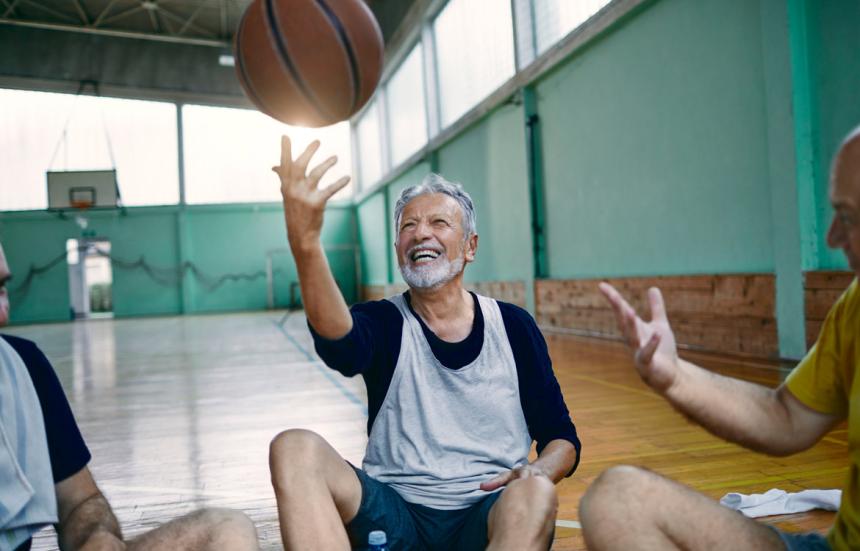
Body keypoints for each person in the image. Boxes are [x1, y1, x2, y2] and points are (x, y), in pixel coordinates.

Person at [268, 136, 581, 550]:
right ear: (399, 248)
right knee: (293, 449)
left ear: (469, 247)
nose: (421, 234)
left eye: (438, 223)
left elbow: (562, 438)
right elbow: (340, 344)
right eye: (408, 226)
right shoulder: (385, 322)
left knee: (536, 492)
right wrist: (306, 245)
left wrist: (539, 472)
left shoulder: (513, 326)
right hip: (397, 514)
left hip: (486, 514)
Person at [579, 125, 860, 551]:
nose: (833, 238)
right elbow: (786, 418)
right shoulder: (854, 308)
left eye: (851, 218)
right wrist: (674, 376)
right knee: (620, 499)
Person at [0, 242, 259, 551]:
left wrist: (93, 534)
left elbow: (79, 501)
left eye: (1, 288)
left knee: (225, 528)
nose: (3, 315)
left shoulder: (23, 366)